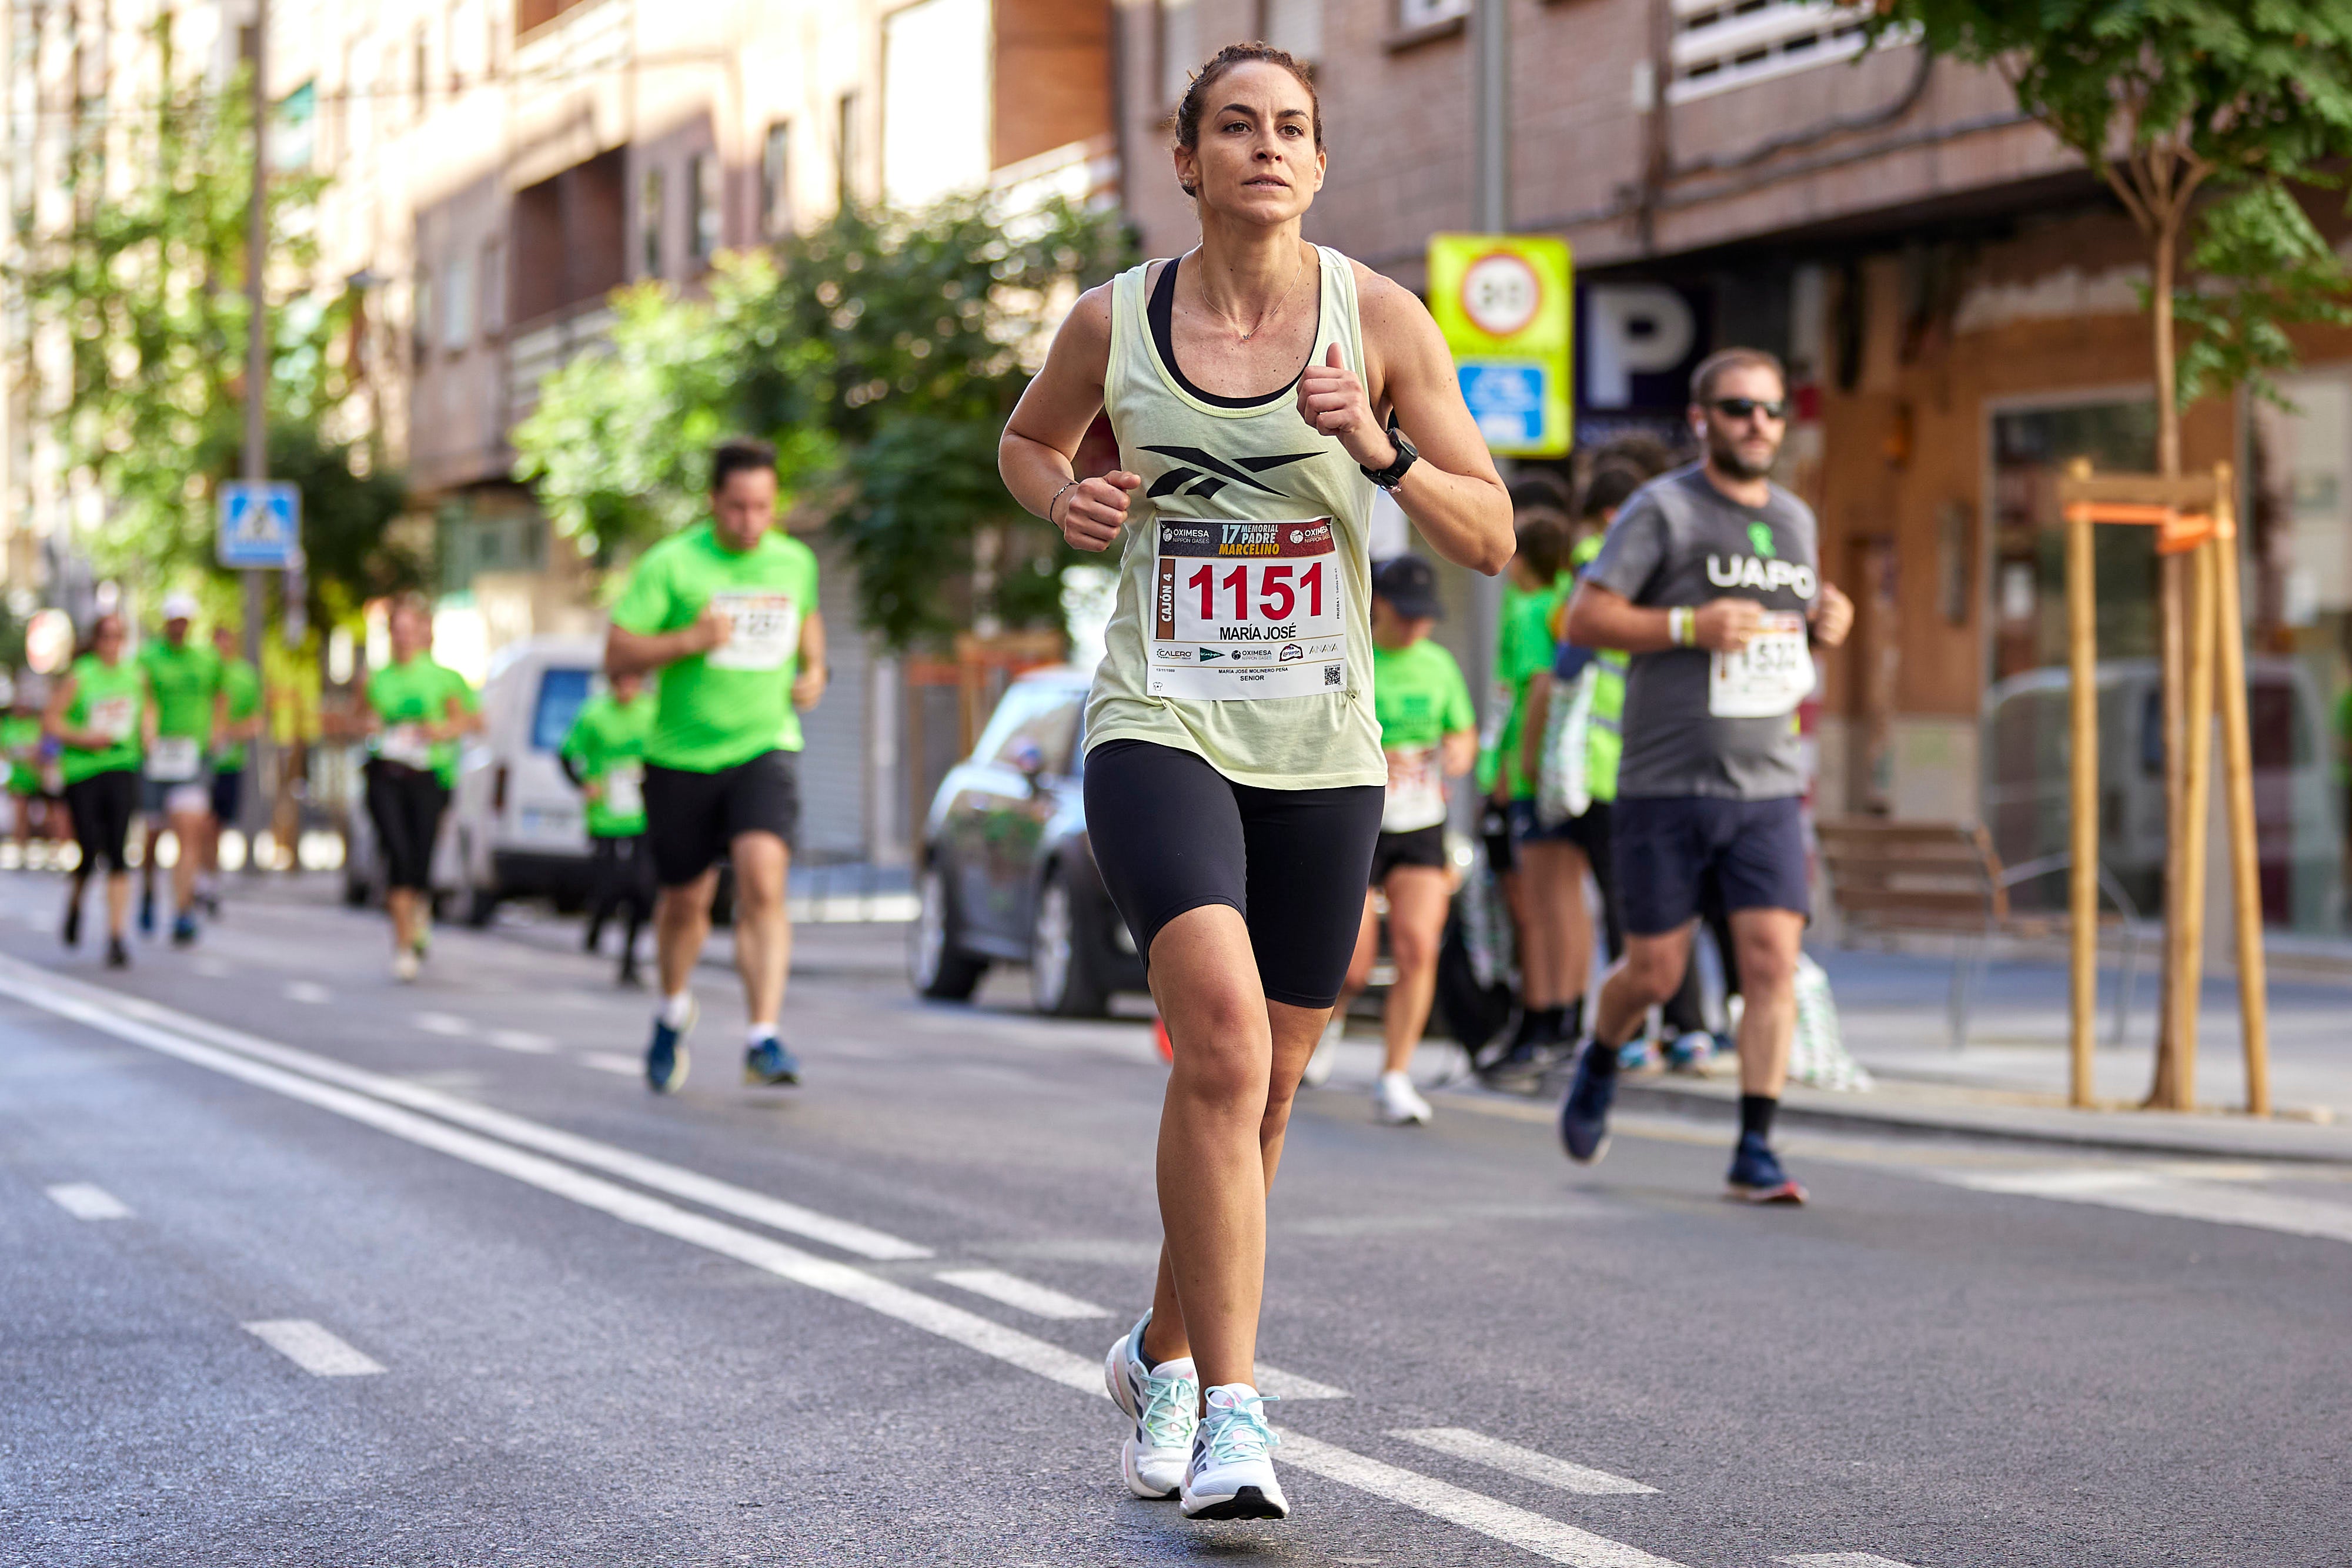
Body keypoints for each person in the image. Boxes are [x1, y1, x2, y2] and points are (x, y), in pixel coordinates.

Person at [998, 42, 1512, 1521]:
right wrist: (1067, 496)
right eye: (1236, 126)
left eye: (1291, 128)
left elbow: (1491, 538)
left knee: (1272, 1084)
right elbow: (1028, 442)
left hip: (1319, 741)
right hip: (1160, 718)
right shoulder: (1114, 321)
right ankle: (1233, 1409)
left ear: (1319, 162)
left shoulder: (1383, 319)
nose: (1265, 149)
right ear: (1187, 159)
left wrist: (1381, 446)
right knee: (1220, 1043)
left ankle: (1159, 1351)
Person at [1556, 347, 1853, 1203]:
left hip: (1765, 783)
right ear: (1701, 419)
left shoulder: (1795, 520)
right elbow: (1587, 615)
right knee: (1653, 971)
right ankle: (1602, 1052)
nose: (1756, 424)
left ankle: (1756, 1144)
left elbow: (1785, 634)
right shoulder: (1664, 510)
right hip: (1665, 781)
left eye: (1768, 410)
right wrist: (1691, 622)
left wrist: (1827, 622)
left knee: (1771, 960)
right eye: (1736, 408)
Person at [607, 436, 826, 1093]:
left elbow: (807, 623)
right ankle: (673, 1009)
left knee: (763, 880)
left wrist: (816, 670)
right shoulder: (670, 566)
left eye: (762, 507)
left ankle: (763, 1037)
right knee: (685, 901)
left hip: (764, 746)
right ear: (713, 503)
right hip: (679, 758)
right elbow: (617, 655)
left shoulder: (794, 562)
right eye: (736, 508)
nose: (750, 521)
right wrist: (688, 640)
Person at [1518, 460, 1720, 1080]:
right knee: (1665, 905)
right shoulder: (1672, 568)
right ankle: (1688, 1030)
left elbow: (1569, 662)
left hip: (1609, 767)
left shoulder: (1594, 566)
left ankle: (1636, 1035)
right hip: (1658, 756)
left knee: (1632, 906)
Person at [1323, 555, 1476, 1126]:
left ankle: (1395, 1076)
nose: (1417, 627)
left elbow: (1462, 729)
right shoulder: (1351, 653)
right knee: (1354, 964)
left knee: (1417, 945)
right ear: (1379, 605)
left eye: (1425, 617)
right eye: (1407, 615)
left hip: (1419, 822)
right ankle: (1327, 1022)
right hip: (1358, 819)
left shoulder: (1438, 664)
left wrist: (1461, 749)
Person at [1475, 496, 1579, 1081]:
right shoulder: (1560, 604)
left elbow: (1530, 688)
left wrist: (1514, 771)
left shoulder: (1528, 609)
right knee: (1560, 900)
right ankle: (1561, 1015)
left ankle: (1539, 1016)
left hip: (1524, 773)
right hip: (1558, 772)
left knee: (1532, 906)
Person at [359, 594, 480, 981]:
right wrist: (367, 726)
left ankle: (419, 908)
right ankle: (404, 945)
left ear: (426, 632)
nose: (405, 637)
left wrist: (439, 730)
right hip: (386, 773)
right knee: (397, 851)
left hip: (429, 776)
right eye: (398, 630)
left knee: (420, 856)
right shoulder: (375, 678)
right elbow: (355, 719)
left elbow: (473, 721)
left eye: (412, 629)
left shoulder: (445, 678)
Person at [46, 613, 145, 968]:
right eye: (106, 637)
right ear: (97, 640)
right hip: (84, 770)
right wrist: (85, 737)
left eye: (119, 637)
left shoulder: (134, 675)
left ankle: (116, 936)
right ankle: (75, 903)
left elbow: (147, 711)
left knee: (118, 851)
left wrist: (149, 732)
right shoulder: (81, 675)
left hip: (121, 766)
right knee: (89, 848)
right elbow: (52, 721)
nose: (112, 644)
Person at [560, 668, 657, 987]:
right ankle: (597, 921)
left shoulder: (653, 711)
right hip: (606, 814)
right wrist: (583, 784)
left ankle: (630, 959)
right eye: (621, 679)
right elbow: (566, 754)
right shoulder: (594, 713)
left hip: (643, 813)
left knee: (641, 885)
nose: (627, 685)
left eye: (632, 679)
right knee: (610, 881)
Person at [135, 593, 220, 946]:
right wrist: (147, 733)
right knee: (154, 834)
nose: (179, 626)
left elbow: (221, 698)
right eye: (174, 620)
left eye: (185, 620)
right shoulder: (148, 657)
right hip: (157, 758)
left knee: (189, 833)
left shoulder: (207, 659)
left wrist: (216, 731)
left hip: (191, 757)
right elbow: (144, 699)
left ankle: (183, 911)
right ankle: (149, 890)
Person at [200, 625, 263, 913]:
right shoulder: (200, 673)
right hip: (200, 762)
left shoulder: (244, 676)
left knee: (218, 825)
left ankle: (209, 879)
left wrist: (229, 733)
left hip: (229, 762)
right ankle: (201, 878)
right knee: (201, 822)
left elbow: (257, 721)